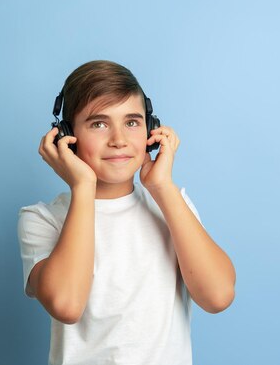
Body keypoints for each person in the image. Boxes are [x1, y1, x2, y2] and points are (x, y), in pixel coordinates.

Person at [17, 60, 236, 365]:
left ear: (151, 129)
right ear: (66, 135)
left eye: (132, 122)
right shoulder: (41, 219)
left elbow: (218, 296)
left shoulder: (172, 205)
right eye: (99, 123)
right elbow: (66, 305)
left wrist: (162, 188)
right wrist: (83, 187)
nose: (119, 139)